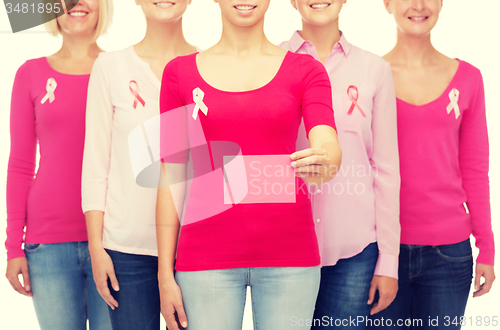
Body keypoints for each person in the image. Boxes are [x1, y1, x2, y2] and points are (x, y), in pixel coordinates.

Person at [156, 0, 343, 329]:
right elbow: (172, 174)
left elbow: (326, 139)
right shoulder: (179, 74)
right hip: (203, 259)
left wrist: (326, 159)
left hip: (291, 257)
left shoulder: (306, 70)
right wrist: (164, 274)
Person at [367, 1, 495, 329]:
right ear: (387, 4)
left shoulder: (468, 78)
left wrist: (487, 247)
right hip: (381, 251)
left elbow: (476, 168)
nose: (419, 6)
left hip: (449, 255)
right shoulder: (369, 76)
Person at [280, 1, 400, 328]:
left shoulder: (374, 70)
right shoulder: (269, 63)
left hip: (354, 254)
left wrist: (389, 261)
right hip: (283, 252)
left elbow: (386, 169)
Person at [82, 0, 197, 329]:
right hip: (125, 250)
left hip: (192, 248)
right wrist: (96, 247)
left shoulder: (208, 65)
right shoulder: (110, 67)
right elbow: (95, 163)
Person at [5, 1, 113, 329]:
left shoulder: (122, 68)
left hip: (113, 241)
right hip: (47, 245)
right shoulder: (30, 73)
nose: (77, 3)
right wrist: (13, 247)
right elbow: (21, 164)